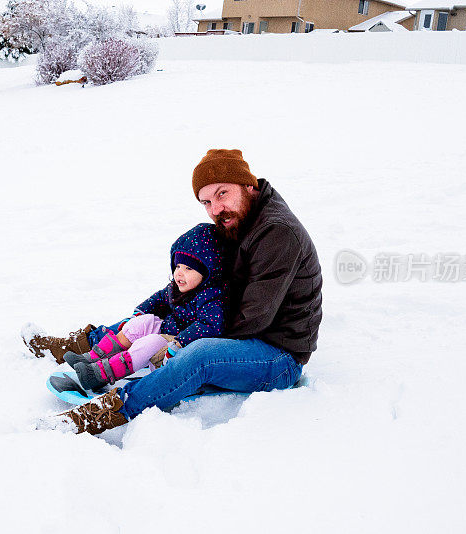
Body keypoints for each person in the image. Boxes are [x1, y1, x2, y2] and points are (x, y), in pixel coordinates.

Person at [39, 149, 323, 435]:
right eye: (207, 202)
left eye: (222, 194)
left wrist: (186, 335)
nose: (215, 209)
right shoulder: (241, 218)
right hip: (236, 325)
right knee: (158, 312)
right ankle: (85, 344)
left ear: (248, 185)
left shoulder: (277, 232)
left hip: (277, 354)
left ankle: (110, 410)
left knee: (201, 353)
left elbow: (253, 318)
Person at [64, 223, 227, 391]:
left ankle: (100, 374)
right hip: (169, 330)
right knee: (141, 323)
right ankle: (93, 358)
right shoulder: (177, 288)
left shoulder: (211, 297)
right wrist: (139, 314)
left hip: (182, 346)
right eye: (177, 266)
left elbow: (210, 326)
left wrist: (180, 341)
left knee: (150, 342)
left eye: (188, 268)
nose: (179, 273)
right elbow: (159, 298)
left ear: (208, 272)